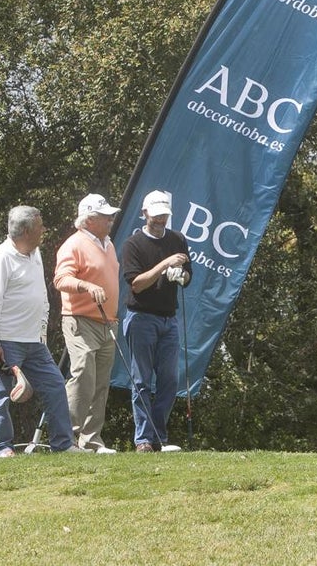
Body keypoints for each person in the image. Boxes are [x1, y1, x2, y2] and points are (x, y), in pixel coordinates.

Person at [0, 205, 86, 456]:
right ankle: (2, 448)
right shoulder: (1, 257)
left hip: (34, 342)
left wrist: (41, 333)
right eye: (40, 226)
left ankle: (63, 444)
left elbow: (39, 293)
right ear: (27, 230)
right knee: (1, 395)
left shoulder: (35, 252)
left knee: (54, 385)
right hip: (7, 341)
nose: (44, 230)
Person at [120, 190, 192, 452]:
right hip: (141, 318)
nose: (161, 218)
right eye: (156, 214)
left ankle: (159, 437)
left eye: (164, 214)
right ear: (145, 213)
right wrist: (164, 265)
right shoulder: (133, 244)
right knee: (141, 381)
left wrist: (179, 275)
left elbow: (187, 277)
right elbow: (136, 284)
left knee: (170, 380)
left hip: (168, 320)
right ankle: (143, 439)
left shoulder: (178, 240)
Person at [53, 194, 122, 454]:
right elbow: (61, 280)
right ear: (90, 220)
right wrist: (86, 286)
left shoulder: (109, 244)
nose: (111, 220)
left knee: (101, 381)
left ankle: (92, 440)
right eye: (106, 217)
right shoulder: (74, 245)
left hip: (107, 321)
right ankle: (67, 439)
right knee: (83, 375)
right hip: (80, 320)